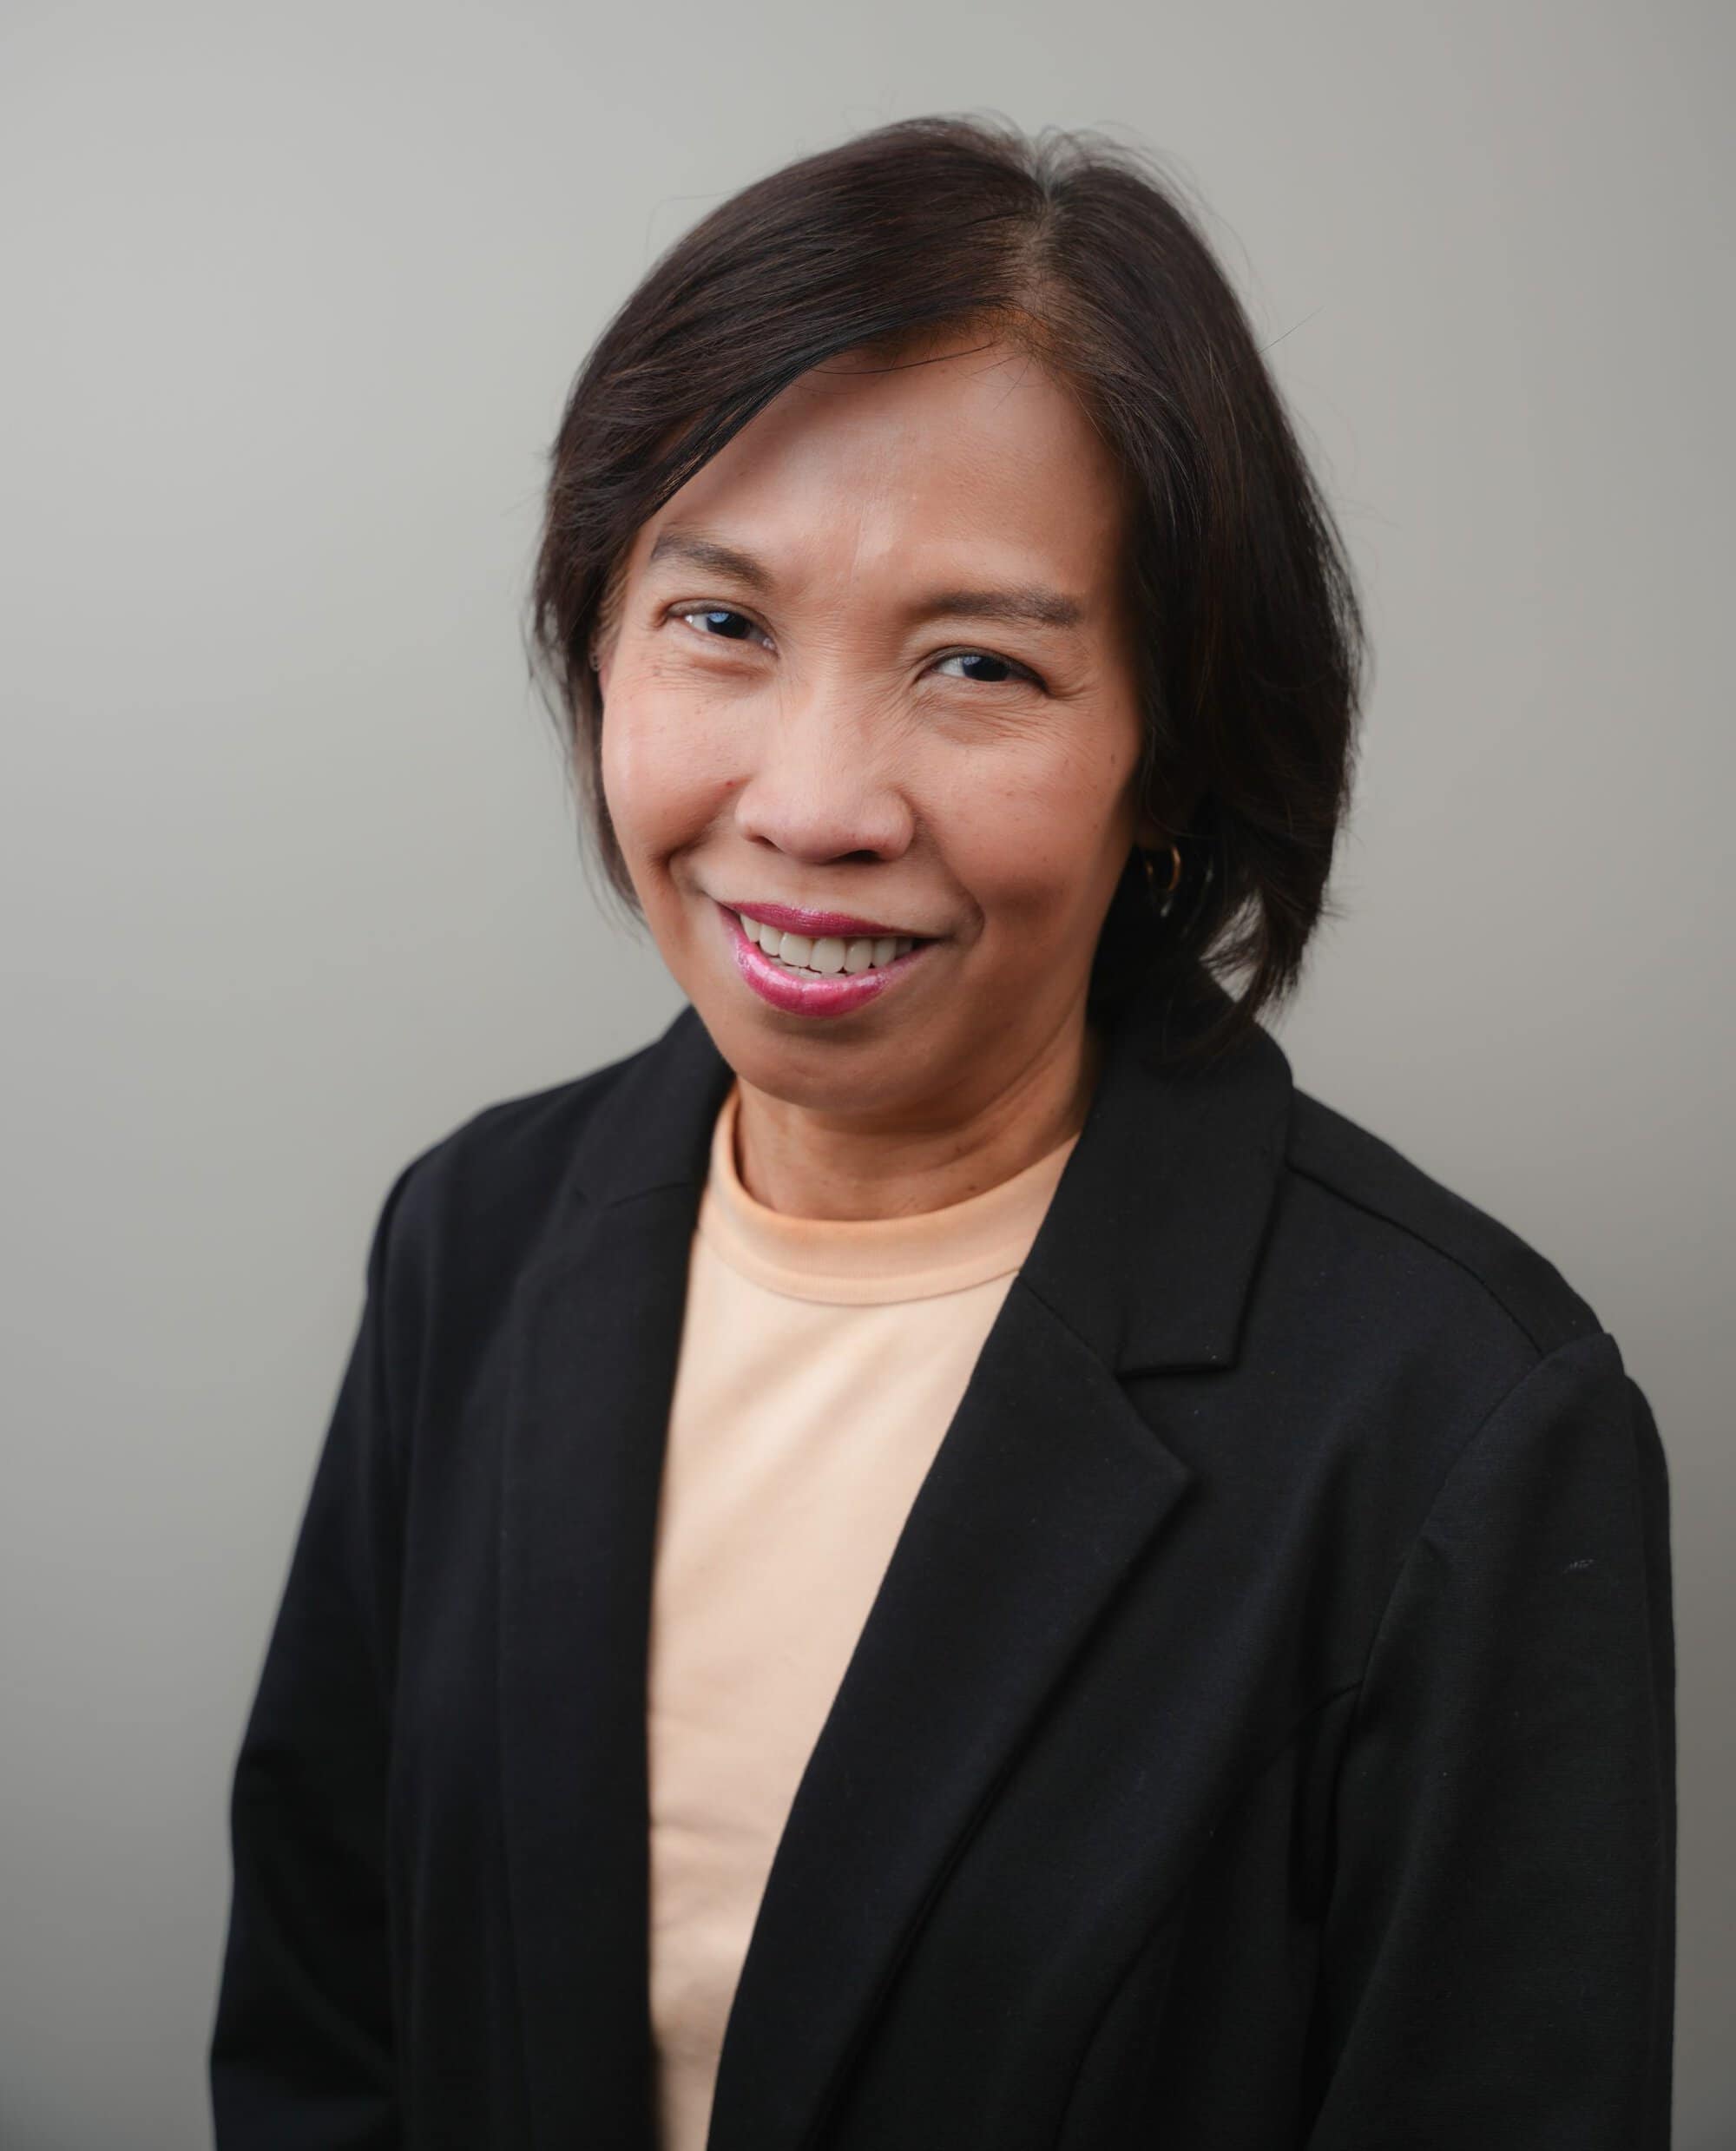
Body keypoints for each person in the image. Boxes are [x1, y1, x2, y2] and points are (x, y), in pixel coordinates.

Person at [208, 114, 1675, 2150]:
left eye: (978, 666)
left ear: (1166, 754)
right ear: (598, 637)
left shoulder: (1457, 1423)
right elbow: (323, 2037)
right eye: (718, 623)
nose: (815, 804)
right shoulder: (471, 1237)